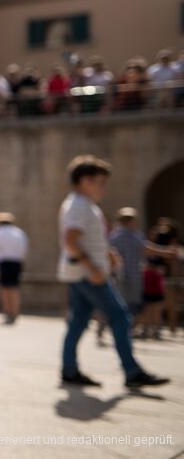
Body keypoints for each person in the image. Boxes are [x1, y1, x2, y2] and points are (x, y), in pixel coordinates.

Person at [58, 155, 168, 389]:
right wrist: (92, 266)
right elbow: (70, 239)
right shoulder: (79, 205)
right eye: (101, 182)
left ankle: (69, 369)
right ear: (86, 180)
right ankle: (131, 370)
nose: (104, 188)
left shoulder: (82, 204)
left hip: (82, 272)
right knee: (120, 316)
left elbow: (85, 238)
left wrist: (107, 253)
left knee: (78, 321)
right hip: (88, 274)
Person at [106, 207, 178, 339]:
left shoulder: (115, 236)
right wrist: (166, 252)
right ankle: (123, 330)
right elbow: (147, 249)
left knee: (121, 304)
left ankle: (118, 329)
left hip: (120, 276)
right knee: (131, 306)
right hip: (130, 277)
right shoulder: (132, 236)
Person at [0, 212, 29, 324]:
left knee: (5, 289)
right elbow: (24, 249)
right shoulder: (19, 233)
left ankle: (7, 312)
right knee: (14, 288)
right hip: (16, 263)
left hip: (4, 262)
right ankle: (15, 312)